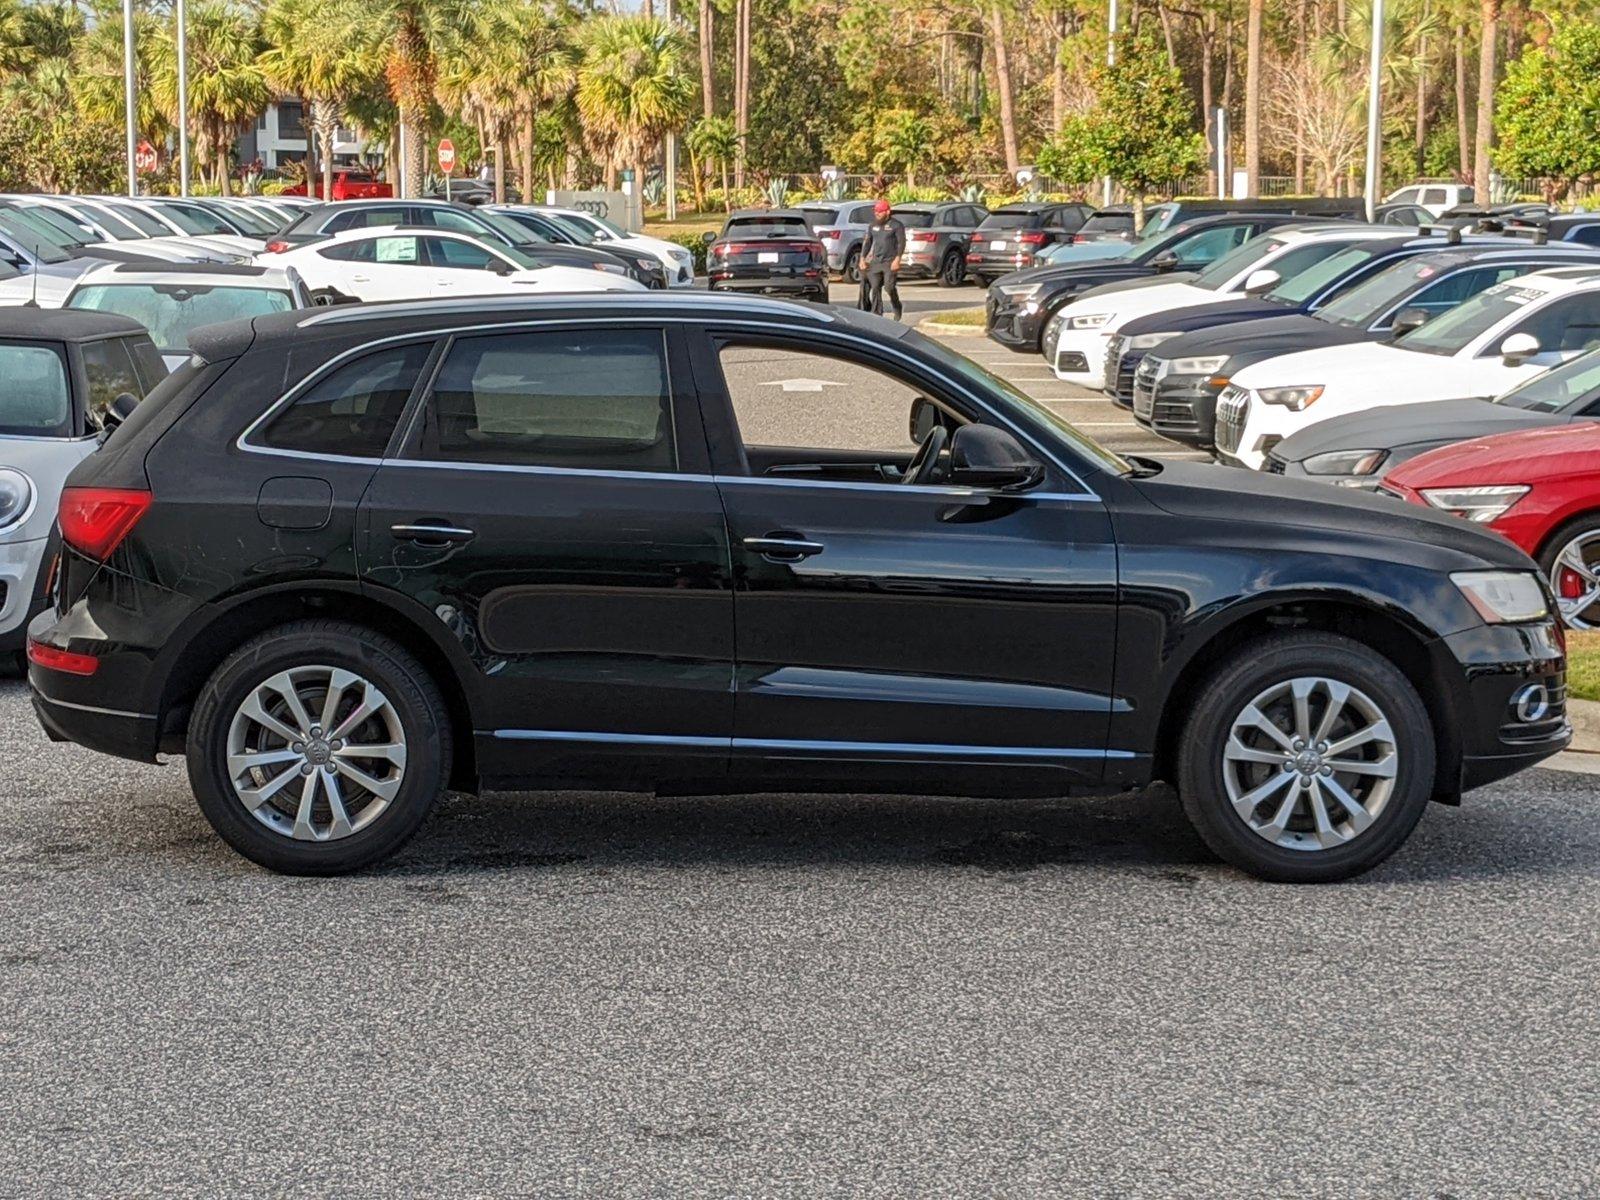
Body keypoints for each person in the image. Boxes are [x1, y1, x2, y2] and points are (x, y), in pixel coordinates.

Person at [859, 199, 905, 320]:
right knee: (875, 287)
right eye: (876, 211)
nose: (877, 214)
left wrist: (898, 259)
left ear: (887, 212)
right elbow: (868, 242)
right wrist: (862, 258)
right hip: (876, 261)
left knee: (889, 287)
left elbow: (901, 243)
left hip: (890, 262)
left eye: (880, 211)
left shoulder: (896, 225)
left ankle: (897, 306)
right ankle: (877, 314)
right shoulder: (873, 225)